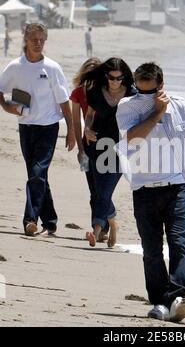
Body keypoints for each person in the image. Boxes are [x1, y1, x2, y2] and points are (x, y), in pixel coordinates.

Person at [116, 62, 185, 322]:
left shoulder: (181, 105)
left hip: (178, 187)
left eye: (151, 92)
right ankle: (159, 301)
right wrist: (156, 112)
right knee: (152, 250)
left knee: (179, 243)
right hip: (144, 189)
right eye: (140, 91)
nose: (145, 97)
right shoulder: (128, 106)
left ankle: (179, 298)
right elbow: (131, 139)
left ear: (161, 85)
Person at [0, 23, 75, 236]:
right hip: (25, 127)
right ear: (26, 39)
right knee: (37, 175)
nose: (38, 43)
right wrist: (6, 106)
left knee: (37, 172)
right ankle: (50, 221)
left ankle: (29, 220)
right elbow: (1, 89)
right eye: (34, 39)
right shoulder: (15, 66)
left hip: (48, 127)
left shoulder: (52, 68)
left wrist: (70, 131)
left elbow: (64, 101)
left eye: (42, 39)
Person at [84, 57, 135, 248]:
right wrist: (86, 129)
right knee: (99, 191)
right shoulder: (96, 92)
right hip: (98, 145)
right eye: (111, 78)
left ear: (124, 77)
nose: (115, 82)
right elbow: (89, 116)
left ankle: (96, 231)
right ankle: (113, 224)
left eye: (119, 78)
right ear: (105, 76)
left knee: (105, 191)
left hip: (121, 149)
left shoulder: (131, 93)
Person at [70, 57, 110, 243]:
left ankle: (100, 227)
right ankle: (101, 226)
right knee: (93, 188)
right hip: (87, 147)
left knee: (103, 187)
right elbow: (76, 121)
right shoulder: (78, 93)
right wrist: (80, 148)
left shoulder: (108, 91)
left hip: (107, 145)